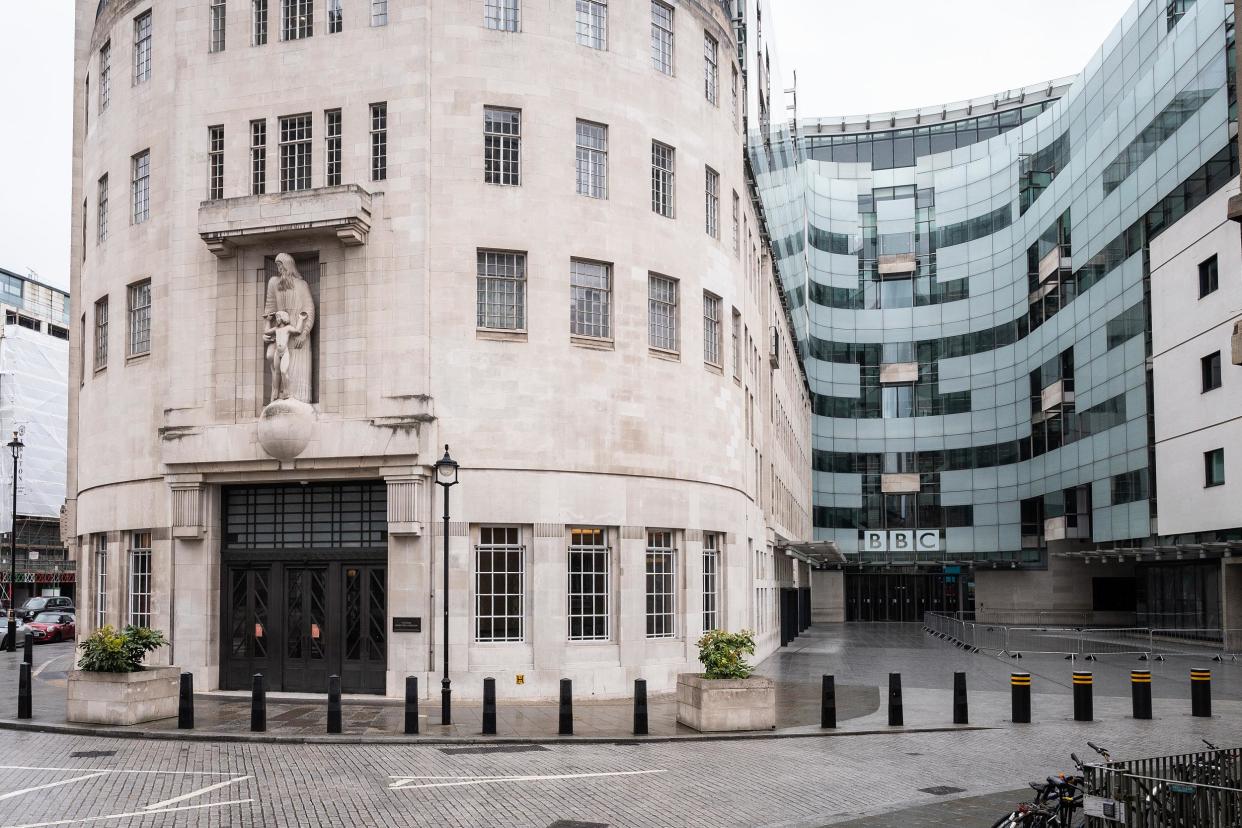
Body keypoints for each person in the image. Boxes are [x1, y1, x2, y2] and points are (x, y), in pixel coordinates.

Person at [262, 253, 316, 403]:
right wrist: (265, 332)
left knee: (294, 370)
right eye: (277, 266)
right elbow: (268, 311)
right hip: (280, 332)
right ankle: (278, 396)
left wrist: (304, 333)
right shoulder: (273, 283)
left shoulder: (302, 285)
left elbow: (309, 309)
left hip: (297, 335)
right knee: (274, 362)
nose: (279, 269)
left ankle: (298, 400)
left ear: (288, 266)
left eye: (281, 266)